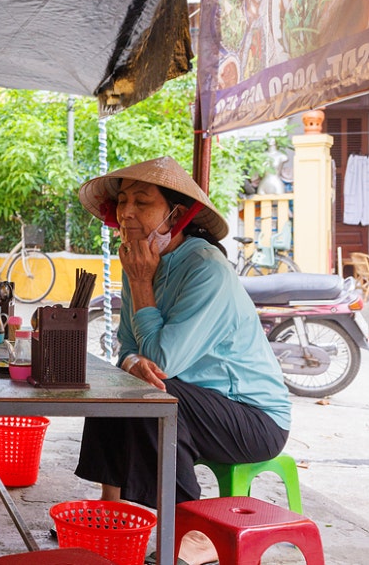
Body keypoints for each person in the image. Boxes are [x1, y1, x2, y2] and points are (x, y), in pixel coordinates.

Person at [74, 156, 292, 565]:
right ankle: (111, 507)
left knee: (152, 394)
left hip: (253, 418)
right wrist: (129, 364)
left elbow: (158, 362)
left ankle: (195, 530)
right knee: (115, 384)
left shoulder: (204, 268)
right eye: (123, 201)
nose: (128, 212)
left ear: (176, 213)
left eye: (143, 201)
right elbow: (125, 351)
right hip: (196, 403)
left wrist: (140, 285)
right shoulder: (141, 259)